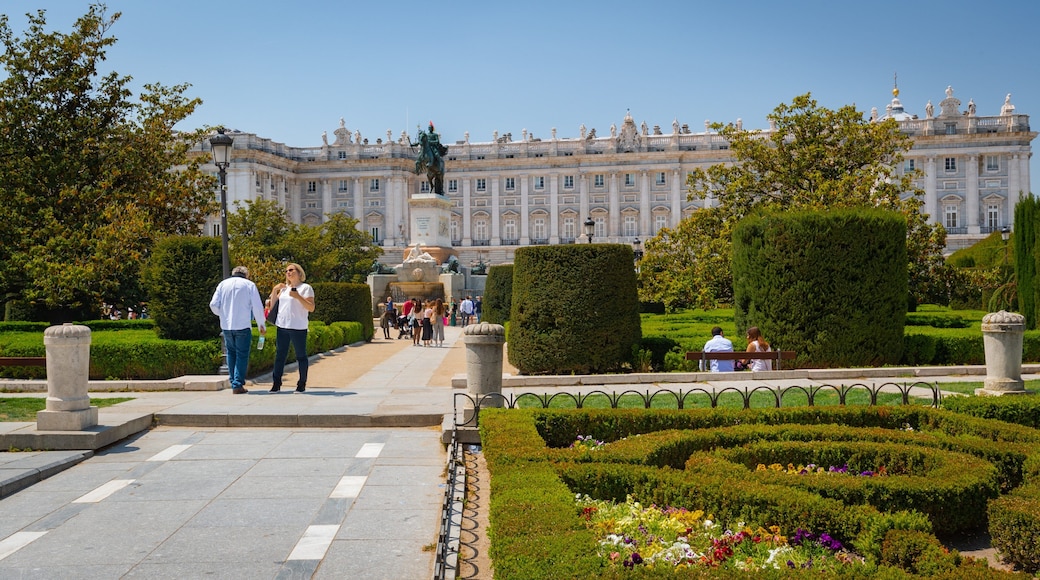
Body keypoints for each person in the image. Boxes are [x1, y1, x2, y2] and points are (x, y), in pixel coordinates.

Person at [210, 265, 267, 394]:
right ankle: (237, 384)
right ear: (246, 274)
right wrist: (261, 325)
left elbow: (213, 304)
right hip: (242, 325)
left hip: (226, 326)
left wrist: (223, 314)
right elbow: (257, 307)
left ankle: (233, 381)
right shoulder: (249, 285)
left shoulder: (222, 284)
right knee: (242, 354)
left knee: (231, 353)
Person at [268, 262, 315, 393]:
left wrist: (298, 296)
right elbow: (273, 307)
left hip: (298, 326)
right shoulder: (284, 289)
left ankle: (301, 383)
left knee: (301, 356)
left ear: (299, 273)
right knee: (280, 356)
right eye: (286, 271)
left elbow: (311, 308)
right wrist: (274, 290)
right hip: (282, 326)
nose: (288, 272)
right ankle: (276, 383)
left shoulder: (306, 288)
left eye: (291, 270)